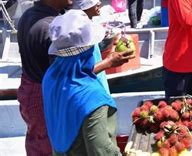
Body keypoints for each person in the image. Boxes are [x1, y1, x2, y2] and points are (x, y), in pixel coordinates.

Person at [42, 10, 132, 155]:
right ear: (90, 50)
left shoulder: (50, 77)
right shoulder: (92, 97)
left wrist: (109, 58)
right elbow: (101, 151)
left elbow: (76, 74)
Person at [17, 0, 77, 155]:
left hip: (29, 89)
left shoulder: (28, 15)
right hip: (45, 95)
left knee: (36, 140)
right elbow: (64, 76)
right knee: (48, 145)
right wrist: (109, 63)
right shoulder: (51, 27)